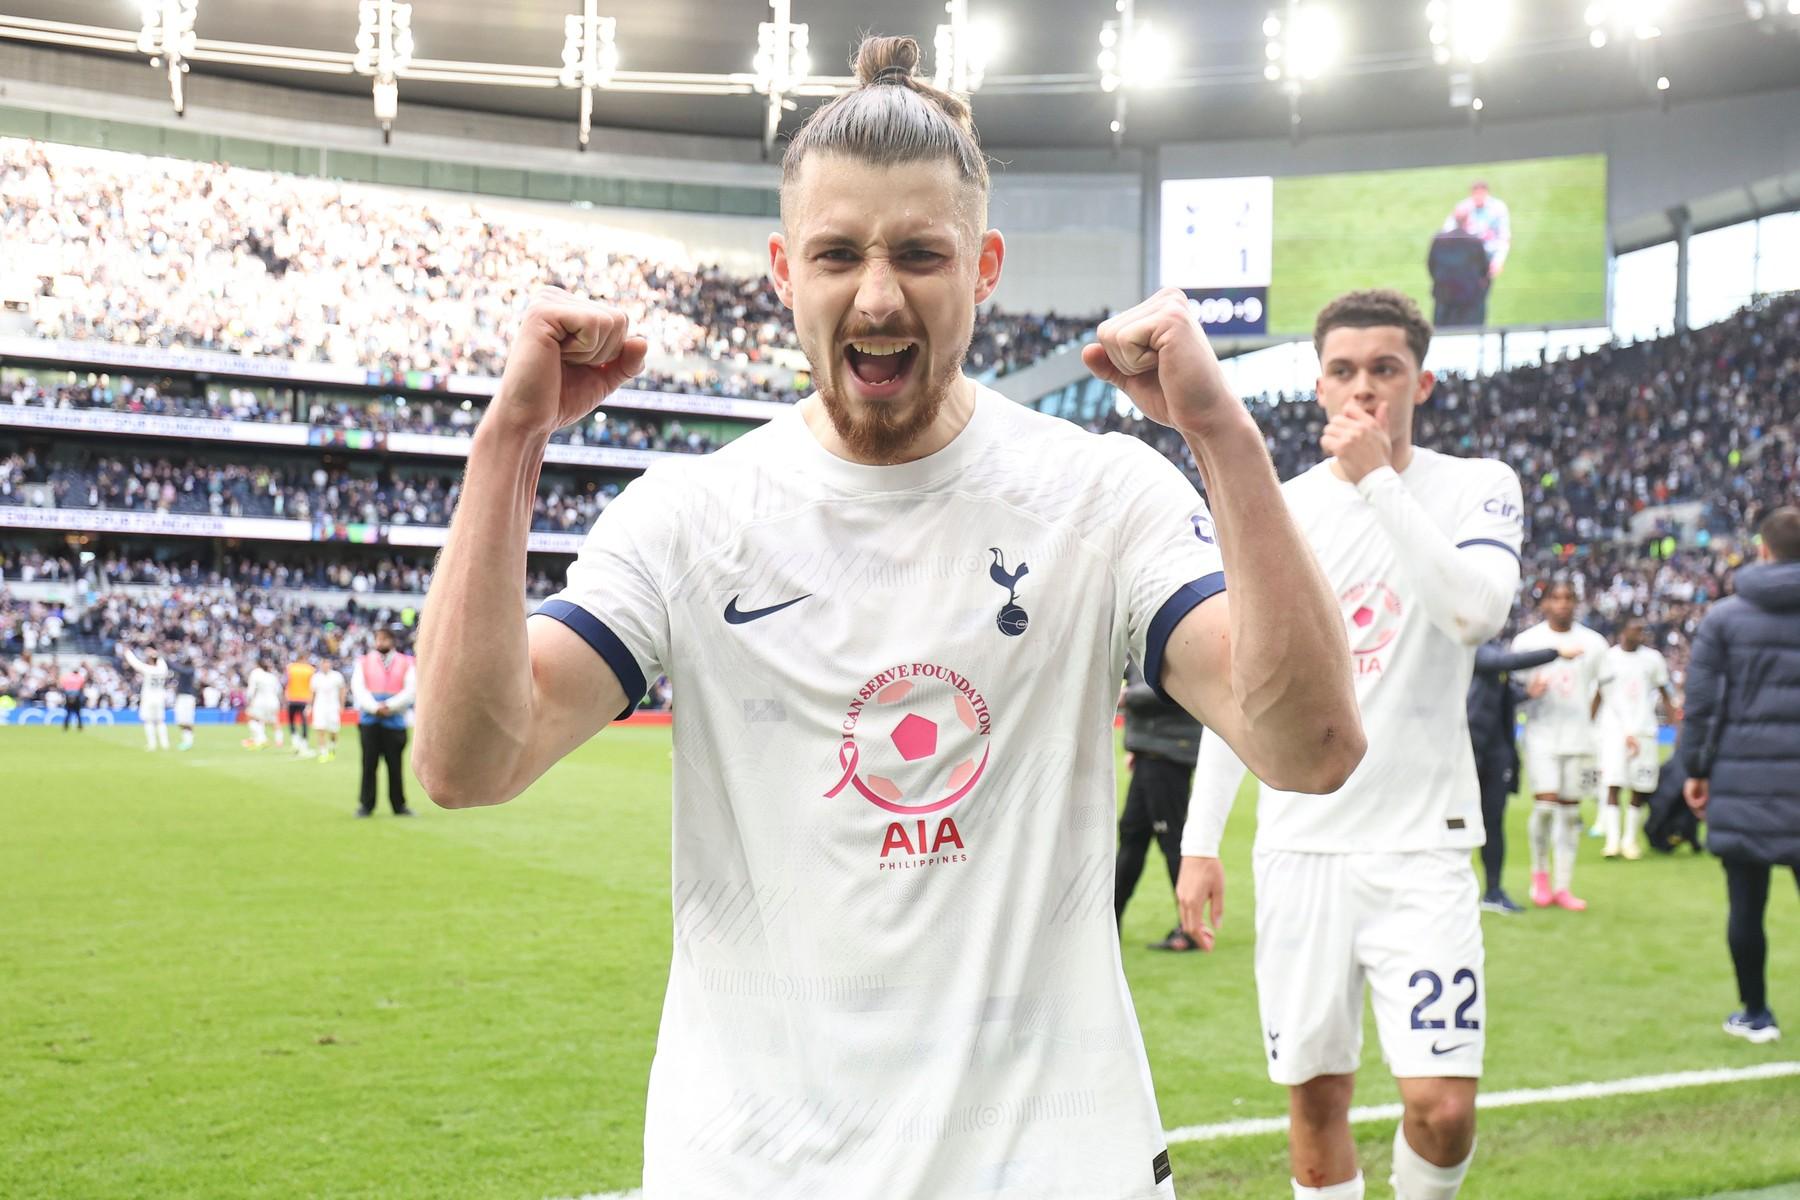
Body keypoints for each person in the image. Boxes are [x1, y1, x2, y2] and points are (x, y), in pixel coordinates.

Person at [412, 35, 1362, 1200]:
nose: (876, 294)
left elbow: (1310, 744)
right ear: (781, 269)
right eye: (836, 254)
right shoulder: (691, 516)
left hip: (1054, 1167)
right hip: (751, 1170)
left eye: (920, 253)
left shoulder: (1099, 496)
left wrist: (1226, 438)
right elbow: (467, 760)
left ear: (984, 266)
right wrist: (508, 441)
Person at [1179, 288, 1523, 1200]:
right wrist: (1201, 841)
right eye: (1343, 370)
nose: (1363, 389)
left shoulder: (1479, 484)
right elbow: (1244, 684)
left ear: (1424, 380)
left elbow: (1472, 613)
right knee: (1318, 1103)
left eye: (1385, 369)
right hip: (1302, 852)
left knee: (1442, 1108)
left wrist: (1379, 480)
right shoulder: (1278, 510)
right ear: (1318, 381)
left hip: (1424, 850)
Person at [1681, 506, 1800, 1045]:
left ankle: (1756, 1013)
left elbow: (1702, 705)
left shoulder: (1724, 618)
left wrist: (1695, 770)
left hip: (1742, 778)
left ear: (1763, 549)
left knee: (1746, 906)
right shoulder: (1724, 618)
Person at [1511, 582, 1609, 910]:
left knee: (1570, 814)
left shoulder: (1594, 643)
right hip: (1541, 734)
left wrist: (1591, 721)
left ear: (1577, 603)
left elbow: (1603, 688)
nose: (1563, 604)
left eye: (1569, 598)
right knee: (1545, 806)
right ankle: (1539, 875)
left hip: (1579, 739)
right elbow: (1514, 689)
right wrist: (1528, 695)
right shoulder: (1526, 642)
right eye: (1556, 598)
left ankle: (1563, 885)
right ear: (1545, 605)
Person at [1466, 637, 1583, 912]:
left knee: (1493, 823)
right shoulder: (1471, 646)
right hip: (1466, 752)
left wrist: (1528, 693)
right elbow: (1501, 662)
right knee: (1454, 824)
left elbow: (1502, 691)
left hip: (1496, 754)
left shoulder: (1493, 649)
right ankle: (1448, 892)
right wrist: (1554, 652)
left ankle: (1493, 891)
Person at [1115, 663, 1205, 950]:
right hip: (1150, 754)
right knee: (1132, 837)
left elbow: (1174, 686)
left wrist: (1127, 698)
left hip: (1168, 755)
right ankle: (1108, 924)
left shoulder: (1172, 628)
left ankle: (1190, 929)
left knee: (1171, 841)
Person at [1596, 618, 1679, 860]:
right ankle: (1612, 841)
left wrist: (1677, 727)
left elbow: (1665, 692)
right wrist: (1590, 725)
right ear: (1622, 631)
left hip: (1644, 730)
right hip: (1614, 731)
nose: (1641, 633)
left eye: (1643, 629)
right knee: (1613, 783)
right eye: (1636, 629)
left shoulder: (1652, 659)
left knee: (1639, 787)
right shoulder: (1608, 659)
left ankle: (1629, 840)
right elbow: (1599, 694)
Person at [353, 626, 416, 817]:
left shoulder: (406, 663)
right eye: (378, 639)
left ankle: (399, 805)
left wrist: (389, 706)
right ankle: (366, 805)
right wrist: (374, 708)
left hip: (394, 721)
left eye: (385, 639)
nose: (381, 643)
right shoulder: (364, 662)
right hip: (370, 720)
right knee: (368, 765)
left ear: (392, 641)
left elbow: (410, 691)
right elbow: (358, 688)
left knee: (395, 766)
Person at [1440, 180, 1511, 285]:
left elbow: (1504, 237)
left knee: (1480, 289)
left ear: (1487, 193)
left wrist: (1498, 261)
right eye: (1475, 194)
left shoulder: (1498, 208)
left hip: (1488, 256)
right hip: (1467, 257)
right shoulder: (1462, 207)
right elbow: (1447, 230)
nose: (1478, 197)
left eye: (1481, 194)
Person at [1426, 216, 1491, 328]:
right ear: (1467, 222)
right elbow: (1484, 270)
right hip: (1469, 299)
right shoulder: (1475, 241)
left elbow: (1431, 266)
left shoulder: (1439, 240)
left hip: (1444, 297)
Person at [121, 640, 171, 752]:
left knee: (148, 721)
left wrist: (127, 652)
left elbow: (135, 663)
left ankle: (152, 744)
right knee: (160, 721)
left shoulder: (148, 669)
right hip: (160, 698)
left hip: (149, 698)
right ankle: (165, 744)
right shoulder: (162, 669)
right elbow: (162, 662)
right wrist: (156, 654)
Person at [309, 659, 347, 764]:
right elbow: (312, 693)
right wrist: (310, 706)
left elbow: (342, 690)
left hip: (333, 706)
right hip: (319, 706)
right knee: (320, 729)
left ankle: (332, 748)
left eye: (327, 664)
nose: (325, 666)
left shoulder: (337, 676)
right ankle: (323, 752)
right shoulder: (316, 677)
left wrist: (342, 705)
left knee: (333, 731)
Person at [243, 657, 281, 749]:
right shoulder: (272, 676)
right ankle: (279, 740)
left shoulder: (255, 673)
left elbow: (251, 690)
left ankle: (261, 739)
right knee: (274, 721)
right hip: (274, 701)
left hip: (260, 701)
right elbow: (279, 690)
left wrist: (248, 700)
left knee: (252, 717)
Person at [284, 655, 316, 756]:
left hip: (291, 698)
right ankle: (304, 743)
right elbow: (313, 686)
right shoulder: (310, 669)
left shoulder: (290, 668)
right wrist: (311, 702)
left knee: (291, 721)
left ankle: (295, 741)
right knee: (304, 722)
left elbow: (286, 682)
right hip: (305, 699)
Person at [171, 654, 200, 751]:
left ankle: (188, 741)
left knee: (187, 720)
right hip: (181, 697)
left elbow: (180, 669)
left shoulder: (190, 670)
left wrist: (166, 659)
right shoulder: (185, 670)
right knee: (181, 720)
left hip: (188, 698)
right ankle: (186, 740)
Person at [59, 664, 86, 732]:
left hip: (68, 696)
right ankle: (80, 727)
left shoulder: (67, 677)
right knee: (78, 713)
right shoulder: (80, 677)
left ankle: (65, 727)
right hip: (76, 696)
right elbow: (82, 687)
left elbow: (63, 687)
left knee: (68, 712)